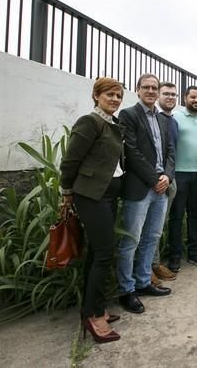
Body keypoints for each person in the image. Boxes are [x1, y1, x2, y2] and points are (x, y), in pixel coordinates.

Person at [60, 77, 124, 343]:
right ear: (96, 96)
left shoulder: (112, 123)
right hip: (90, 196)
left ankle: (93, 308)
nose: (115, 99)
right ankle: (93, 316)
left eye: (119, 95)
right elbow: (70, 159)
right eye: (110, 94)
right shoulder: (90, 122)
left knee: (97, 253)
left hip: (107, 195)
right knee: (105, 253)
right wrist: (66, 192)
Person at [116, 73, 175, 315]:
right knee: (131, 240)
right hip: (140, 188)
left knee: (152, 237)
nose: (151, 91)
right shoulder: (128, 115)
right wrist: (154, 179)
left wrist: (167, 177)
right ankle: (126, 290)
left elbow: (170, 151)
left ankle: (143, 281)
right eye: (146, 87)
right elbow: (131, 152)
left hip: (161, 187)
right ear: (138, 90)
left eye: (154, 87)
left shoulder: (162, 119)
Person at [168, 86, 197, 272]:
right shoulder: (175, 118)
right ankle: (175, 256)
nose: (196, 100)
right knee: (177, 216)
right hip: (178, 173)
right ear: (185, 98)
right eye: (193, 97)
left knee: (195, 215)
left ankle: (194, 253)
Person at [150, 82, 179, 283]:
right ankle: (149, 267)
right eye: (166, 94)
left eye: (173, 94)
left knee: (159, 226)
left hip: (170, 178)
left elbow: (171, 152)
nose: (170, 97)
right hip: (153, 180)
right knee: (149, 228)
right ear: (158, 95)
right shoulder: (153, 118)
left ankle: (154, 263)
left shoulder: (173, 121)